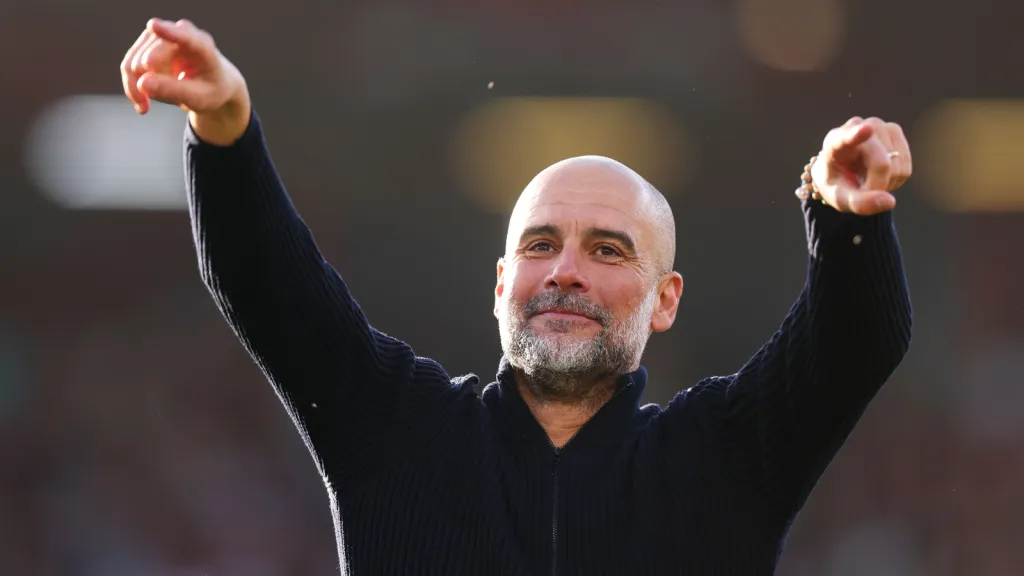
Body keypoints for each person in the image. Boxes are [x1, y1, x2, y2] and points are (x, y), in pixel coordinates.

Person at [120, 18, 913, 576]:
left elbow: (857, 345)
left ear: (665, 300)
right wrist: (224, 130)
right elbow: (268, 286)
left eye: (607, 249)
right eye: (540, 245)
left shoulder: (725, 458)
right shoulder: (393, 429)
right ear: (501, 285)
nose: (565, 270)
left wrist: (843, 218)